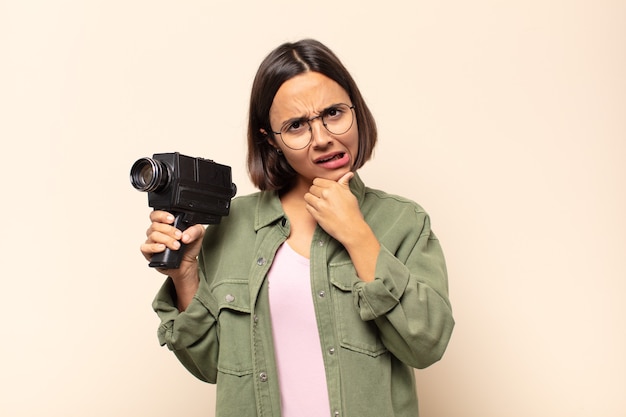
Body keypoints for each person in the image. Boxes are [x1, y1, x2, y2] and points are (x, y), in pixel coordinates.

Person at [141, 39, 454, 417]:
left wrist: (357, 233)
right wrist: (185, 275)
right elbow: (210, 367)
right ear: (269, 140)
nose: (322, 138)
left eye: (334, 113)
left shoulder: (403, 221)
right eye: (296, 126)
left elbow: (426, 345)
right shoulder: (232, 225)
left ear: (356, 109)